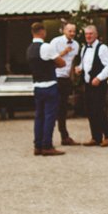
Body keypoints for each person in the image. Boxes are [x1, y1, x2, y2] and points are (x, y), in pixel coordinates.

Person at [26, 22, 66, 156]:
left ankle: (37, 145)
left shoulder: (30, 49)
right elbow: (62, 62)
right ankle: (47, 145)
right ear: (42, 32)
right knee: (50, 116)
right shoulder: (46, 47)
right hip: (49, 85)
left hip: (37, 85)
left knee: (39, 117)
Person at [79, 24, 108, 147]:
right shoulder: (84, 48)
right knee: (90, 110)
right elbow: (84, 64)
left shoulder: (102, 48)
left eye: (91, 34)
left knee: (99, 110)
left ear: (96, 35)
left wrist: (99, 77)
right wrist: (79, 68)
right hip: (88, 84)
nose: (88, 36)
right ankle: (96, 137)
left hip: (99, 84)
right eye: (86, 34)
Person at [50, 22, 80, 146]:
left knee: (63, 108)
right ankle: (47, 138)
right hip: (55, 77)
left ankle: (64, 136)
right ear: (64, 31)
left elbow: (72, 62)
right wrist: (64, 52)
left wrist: (73, 75)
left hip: (66, 79)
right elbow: (50, 59)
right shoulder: (55, 42)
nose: (72, 33)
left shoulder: (76, 45)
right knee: (53, 108)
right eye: (70, 31)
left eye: (74, 31)